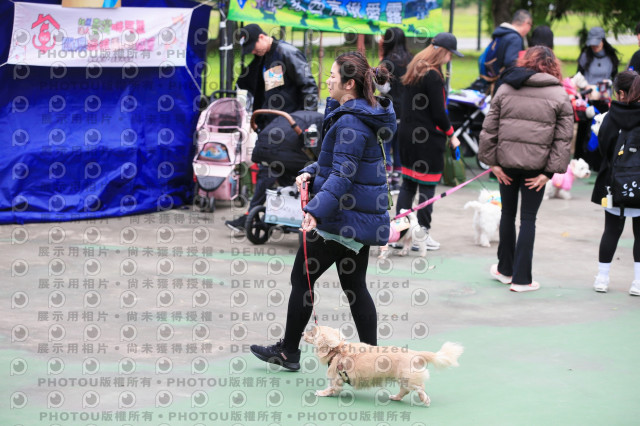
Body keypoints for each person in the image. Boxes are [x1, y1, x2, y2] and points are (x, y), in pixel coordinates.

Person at [249, 51, 396, 371]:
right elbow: (338, 163)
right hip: (355, 217)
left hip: (340, 218)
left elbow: (343, 175)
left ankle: (289, 351)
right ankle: (372, 359)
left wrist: (315, 210)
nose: (327, 80)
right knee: (355, 287)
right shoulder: (360, 113)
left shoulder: (351, 121)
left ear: (349, 84)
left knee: (302, 279)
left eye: (332, 75)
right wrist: (311, 170)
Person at [479, 46, 573, 292]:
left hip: (506, 164)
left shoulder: (506, 87)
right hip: (537, 168)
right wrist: (548, 173)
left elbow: (489, 128)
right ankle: (522, 280)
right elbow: (563, 139)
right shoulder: (559, 94)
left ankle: (505, 270)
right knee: (528, 219)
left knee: (507, 214)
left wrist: (493, 162)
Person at [227, 24, 319, 232]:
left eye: (253, 46)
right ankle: (285, 217)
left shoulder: (286, 53)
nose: (253, 51)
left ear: (262, 37)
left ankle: (252, 216)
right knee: (281, 172)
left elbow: (309, 86)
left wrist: (307, 121)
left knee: (269, 167)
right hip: (274, 125)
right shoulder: (265, 57)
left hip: (291, 126)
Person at [395, 32, 462, 251]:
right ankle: (421, 235)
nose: (450, 58)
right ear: (443, 52)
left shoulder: (414, 68)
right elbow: (439, 113)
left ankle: (399, 234)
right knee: (427, 187)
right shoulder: (433, 76)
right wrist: (452, 135)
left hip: (407, 135)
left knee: (408, 185)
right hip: (427, 140)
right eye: (450, 54)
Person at [591, 71, 640, 294]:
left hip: (614, 183)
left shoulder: (611, 116)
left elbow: (604, 147)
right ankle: (638, 282)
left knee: (611, 230)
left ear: (620, 93)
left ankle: (602, 278)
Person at [574, 26, 620, 170]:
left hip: (603, 100)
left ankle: (598, 163)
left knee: (601, 130)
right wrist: (585, 86)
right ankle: (580, 161)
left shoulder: (611, 57)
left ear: (602, 41)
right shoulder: (585, 56)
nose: (593, 46)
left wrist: (609, 84)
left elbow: (615, 78)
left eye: (596, 43)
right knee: (583, 131)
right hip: (588, 100)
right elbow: (578, 76)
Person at [378, 27, 413, 192]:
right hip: (407, 110)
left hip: (389, 110)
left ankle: (387, 180)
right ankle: (397, 181)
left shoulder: (387, 63)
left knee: (385, 145)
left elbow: (384, 88)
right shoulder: (411, 60)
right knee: (399, 146)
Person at [476, 9, 532, 92]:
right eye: (530, 25)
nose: (529, 29)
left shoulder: (502, 33)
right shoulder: (515, 38)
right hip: (501, 84)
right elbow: (511, 62)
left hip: (490, 80)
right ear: (526, 23)